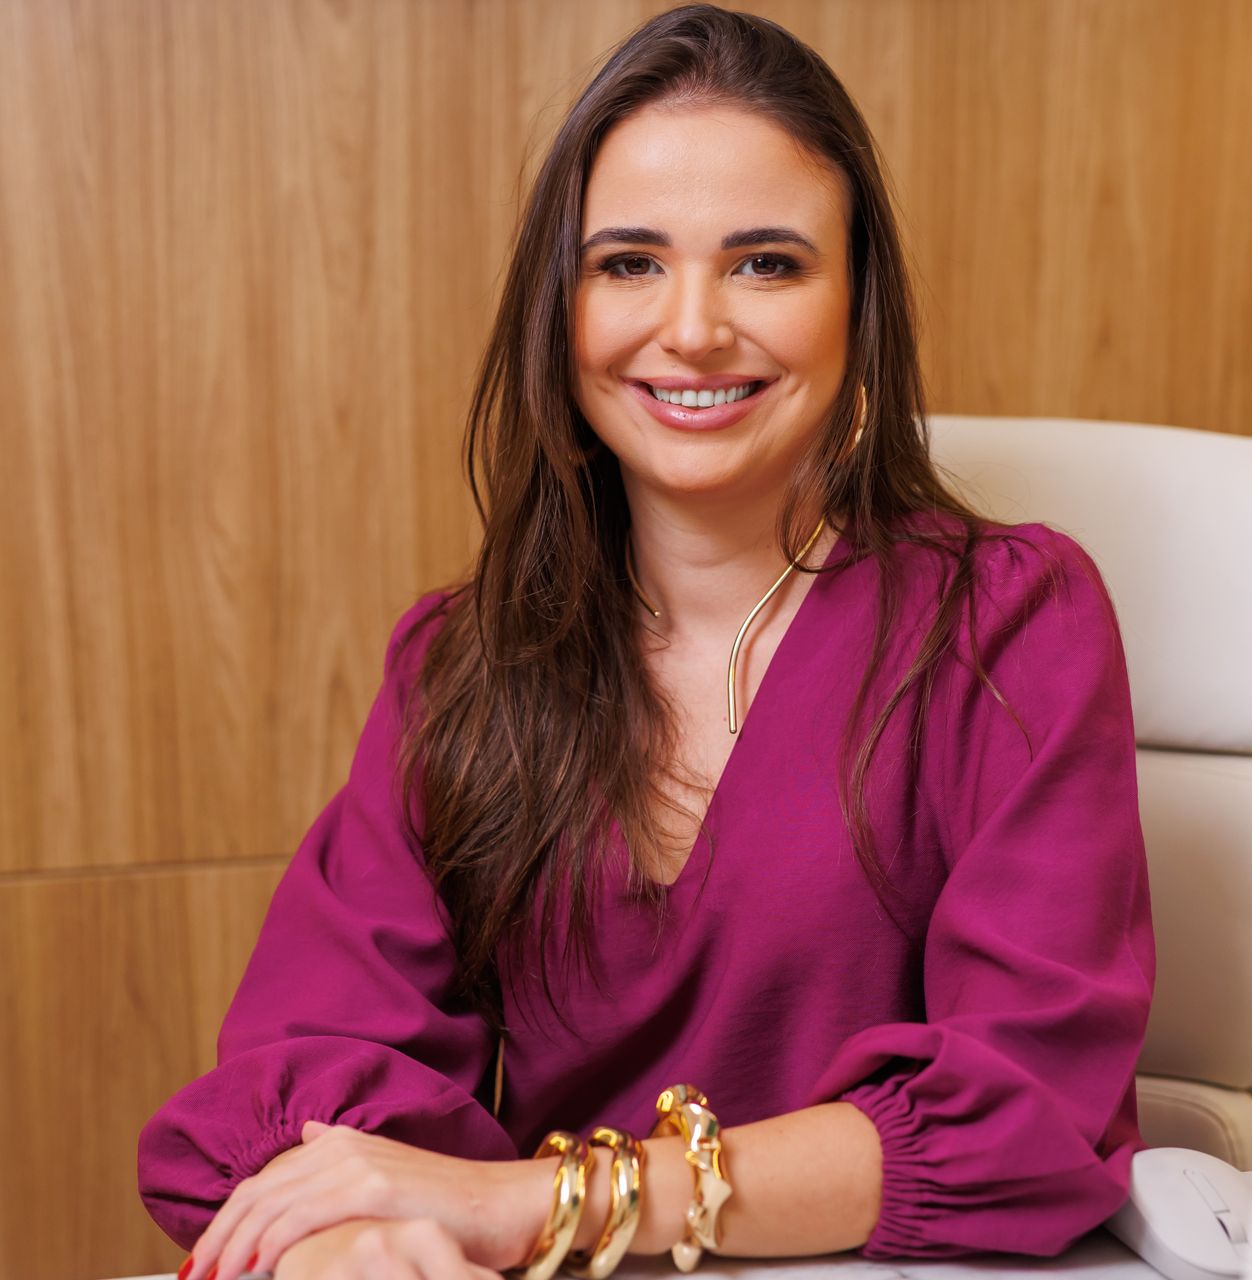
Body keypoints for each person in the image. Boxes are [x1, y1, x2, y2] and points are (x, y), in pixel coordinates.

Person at [138, 6, 1156, 1278]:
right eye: (627, 263)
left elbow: (1030, 1104)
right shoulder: (462, 665)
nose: (689, 328)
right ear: (557, 311)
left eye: (764, 263)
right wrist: (347, 1236)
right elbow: (310, 1073)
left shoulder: (1008, 621)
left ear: (858, 307)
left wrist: (535, 1199)